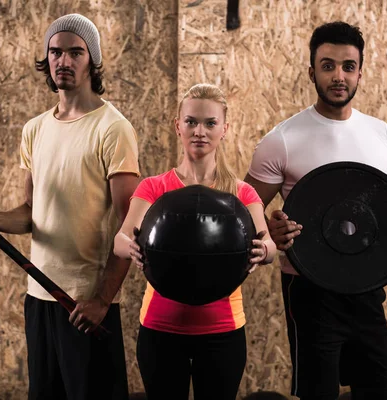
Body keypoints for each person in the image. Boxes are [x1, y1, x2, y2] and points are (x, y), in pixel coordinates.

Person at [0, 14, 140, 400]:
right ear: (46, 58)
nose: (64, 60)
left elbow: (131, 226)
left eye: (76, 52)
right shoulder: (35, 129)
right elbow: (30, 212)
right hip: (39, 297)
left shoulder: (112, 128)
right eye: (56, 51)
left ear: (92, 60)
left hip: (84, 304)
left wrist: (102, 300)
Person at [244, 22, 387, 400]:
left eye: (348, 66)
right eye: (328, 66)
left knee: (376, 387)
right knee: (319, 392)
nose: (338, 76)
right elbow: (244, 213)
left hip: (367, 287)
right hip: (309, 290)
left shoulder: (384, 136)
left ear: (360, 72)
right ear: (312, 72)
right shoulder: (281, 139)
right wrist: (269, 232)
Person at [114, 83, 277, 400]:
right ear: (178, 126)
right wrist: (131, 247)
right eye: (191, 121)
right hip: (160, 328)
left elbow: (268, 245)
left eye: (210, 123)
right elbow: (121, 239)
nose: (199, 131)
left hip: (222, 331)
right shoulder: (154, 187)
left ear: (224, 129)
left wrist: (262, 251)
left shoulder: (242, 193)